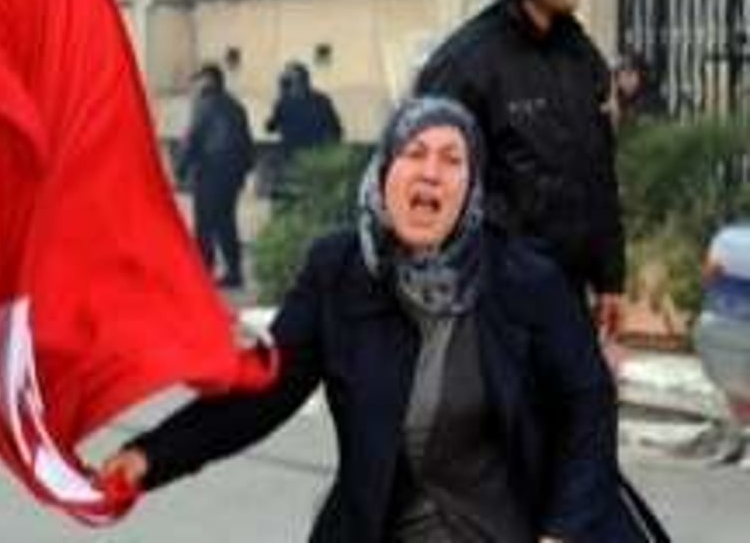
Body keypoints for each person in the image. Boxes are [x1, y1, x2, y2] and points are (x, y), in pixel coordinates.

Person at [101, 97, 668, 543]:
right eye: (415, 153)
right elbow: (265, 392)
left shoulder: (525, 280)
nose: (431, 173)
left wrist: (563, 530)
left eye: (452, 160)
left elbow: (587, 405)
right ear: (385, 170)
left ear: (471, 188)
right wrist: (150, 456)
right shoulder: (338, 271)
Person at [414, 0, 626, 336]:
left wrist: (610, 277)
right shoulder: (465, 64)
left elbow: (598, 173)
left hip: (566, 302)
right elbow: (427, 192)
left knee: (588, 409)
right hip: (492, 308)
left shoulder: (580, 56)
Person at [177, 63, 255, 289]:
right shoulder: (236, 106)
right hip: (231, 174)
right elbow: (247, 143)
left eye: (198, 80)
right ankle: (234, 271)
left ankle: (203, 272)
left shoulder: (204, 105)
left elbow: (192, 138)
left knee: (205, 225)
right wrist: (243, 171)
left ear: (208, 81)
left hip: (211, 171)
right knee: (226, 223)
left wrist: (180, 169)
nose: (194, 85)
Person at [264, 61, 343, 202]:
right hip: (314, 156)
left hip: (293, 156)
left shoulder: (285, 101)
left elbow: (270, 127)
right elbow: (336, 129)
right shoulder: (321, 100)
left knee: (290, 192)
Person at [612, 50, 667, 125]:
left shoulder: (650, 97)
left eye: (630, 75)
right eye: (622, 76)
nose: (627, 81)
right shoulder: (612, 95)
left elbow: (656, 118)